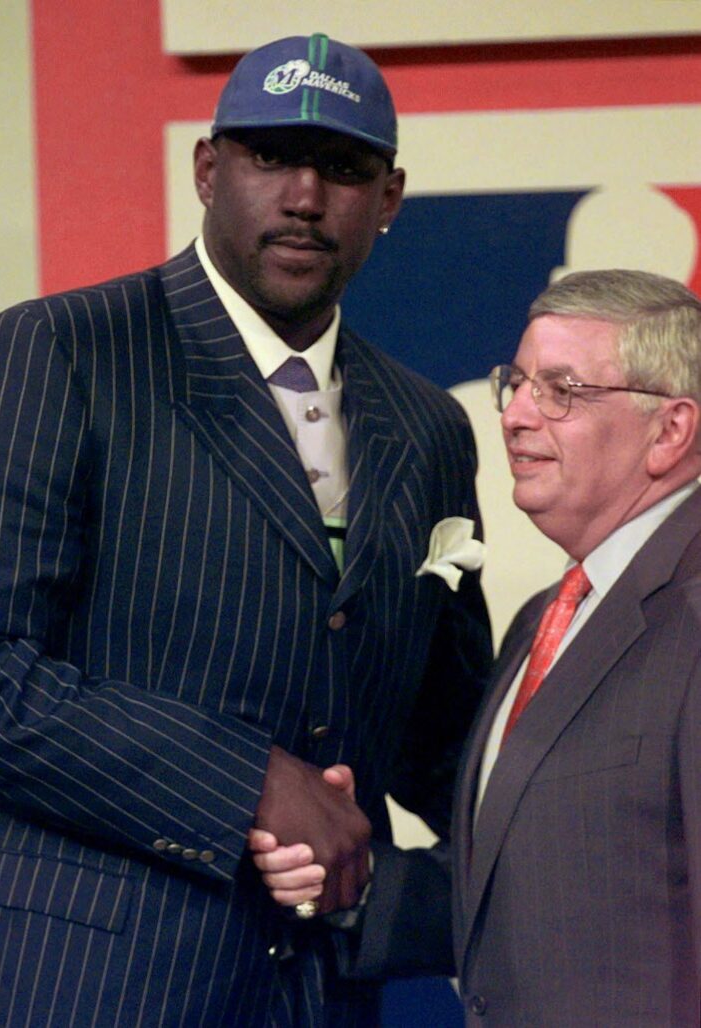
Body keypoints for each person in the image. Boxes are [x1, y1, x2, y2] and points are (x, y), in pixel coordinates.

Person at [0, 32, 491, 1027]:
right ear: (208, 169)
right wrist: (245, 779)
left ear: (387, 197)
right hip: (71, 989)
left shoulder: (426, 426)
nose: (302, 194)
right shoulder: (49, 354)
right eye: (267, 157)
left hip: (320, 995)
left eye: (342, 167)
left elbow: (440, 728)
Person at [254, 268, 701, 1024]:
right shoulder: (545, 618)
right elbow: (541, 880)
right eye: (517, 382)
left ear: (671, 430)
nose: (518, 415)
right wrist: (350, 880)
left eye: (563, 390)